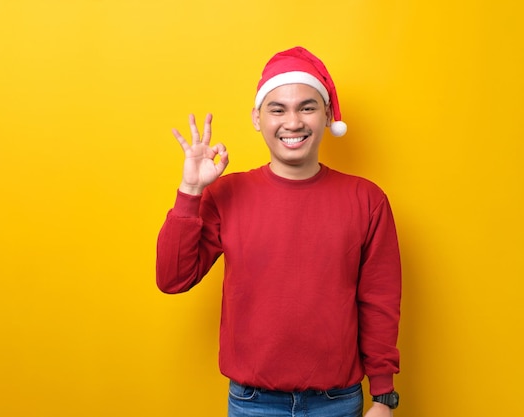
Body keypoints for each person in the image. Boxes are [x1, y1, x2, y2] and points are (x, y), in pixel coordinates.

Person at [156, 46, 402, 417]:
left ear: (327, 115)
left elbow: (380, 301)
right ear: (257, 118)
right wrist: (191, 191)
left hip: (337, 402)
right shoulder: (226, 194)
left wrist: (383, 396)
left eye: (307, 107)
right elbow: (172, 278)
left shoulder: (367, 200)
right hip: (253, 403)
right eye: (277, 109)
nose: (293, 122)